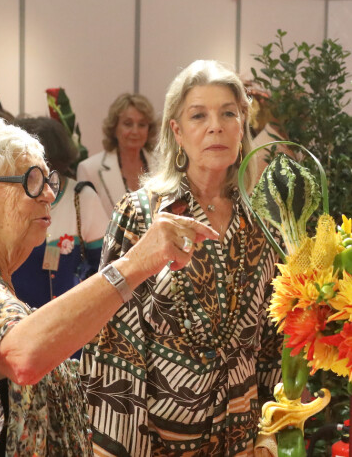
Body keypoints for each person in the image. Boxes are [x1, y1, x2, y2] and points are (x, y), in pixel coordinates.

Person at [0, 119, 217, 456]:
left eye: (48, 180)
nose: (48, 193)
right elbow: (22, 355)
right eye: (30, 182)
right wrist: (134, 264)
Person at [80, 60, 283, 456]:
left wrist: (271, 433)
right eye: (198, 115)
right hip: (159, 441)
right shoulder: (141, 215)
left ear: (243, 124)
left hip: (242, 439)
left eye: (229, 113)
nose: (215, 126)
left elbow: (272, 343)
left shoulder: (261, 223)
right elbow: (114, 342)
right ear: (177, 130)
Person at [12, 116, 108, 310]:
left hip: (72, 318)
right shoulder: (12, 197)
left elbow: (105, 264)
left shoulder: (82, 197)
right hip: (17, 318)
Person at [77, 92, 157, 217]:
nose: (135, 131)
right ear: (114, 127)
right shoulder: (90, 169)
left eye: (142, 125)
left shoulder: (163, 165)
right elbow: (86, 221)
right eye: (128, 124)